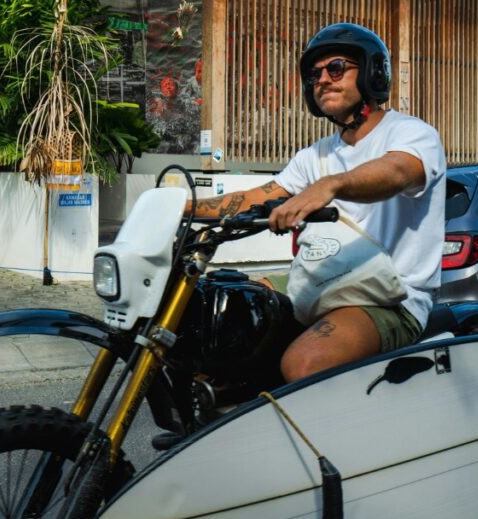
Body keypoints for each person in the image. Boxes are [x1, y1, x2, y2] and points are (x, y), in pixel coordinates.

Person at [188, 23, 446, 382]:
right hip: (326, 284)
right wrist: (182, 208)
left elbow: (398, 171)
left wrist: (331, 185)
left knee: (305, 362)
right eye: (315, 73)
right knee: (221, 319)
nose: (322, 79)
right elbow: (255, 197)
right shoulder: (316, 155)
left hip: (391, 300)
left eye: (336, 67)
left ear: (371, 71)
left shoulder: (410, 133)